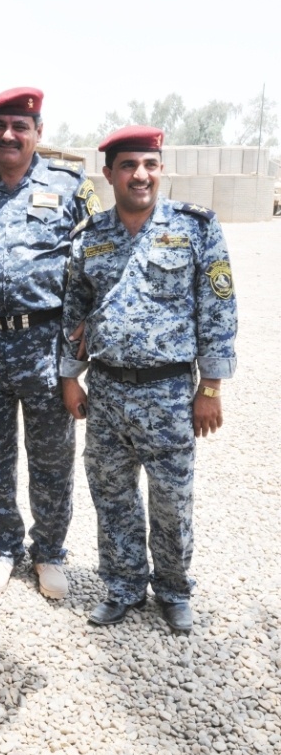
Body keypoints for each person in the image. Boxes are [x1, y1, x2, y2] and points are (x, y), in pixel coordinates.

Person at [60, 125, 238, 633]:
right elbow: (74, 311)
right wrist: (71, 378)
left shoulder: (194, 227)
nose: (141, 175)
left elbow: (218, 309)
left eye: (150, 165)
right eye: (130, 166)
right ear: (110, 173)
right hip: (109, 390)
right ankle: (122, 586)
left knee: (171, 497)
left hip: (169, 393)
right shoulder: (90, 237)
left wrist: (211, 387)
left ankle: (174, 589)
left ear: (160, 170)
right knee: (111, 493)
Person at [0, 87, 101, 598]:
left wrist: (84, 340)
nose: (9, 135)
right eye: (0, 125)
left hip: (46, 345)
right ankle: (3, 547)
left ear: (37, 133)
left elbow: (97, 264)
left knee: (51, 457)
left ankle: (49, 551)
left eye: (20, 127)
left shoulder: (72, 188)